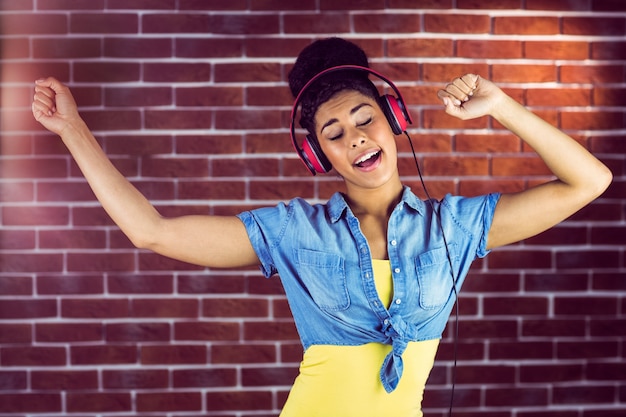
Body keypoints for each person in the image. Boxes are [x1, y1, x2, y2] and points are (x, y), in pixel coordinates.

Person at [31, 37, 611, 417]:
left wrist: (502, 105)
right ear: (320, 157)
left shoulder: (453, 229)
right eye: (334, 133)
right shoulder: (294, 232)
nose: (356, 137)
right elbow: (150, 231)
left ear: (395, 122)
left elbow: (589, 181)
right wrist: (73, 130)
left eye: (366, 119)